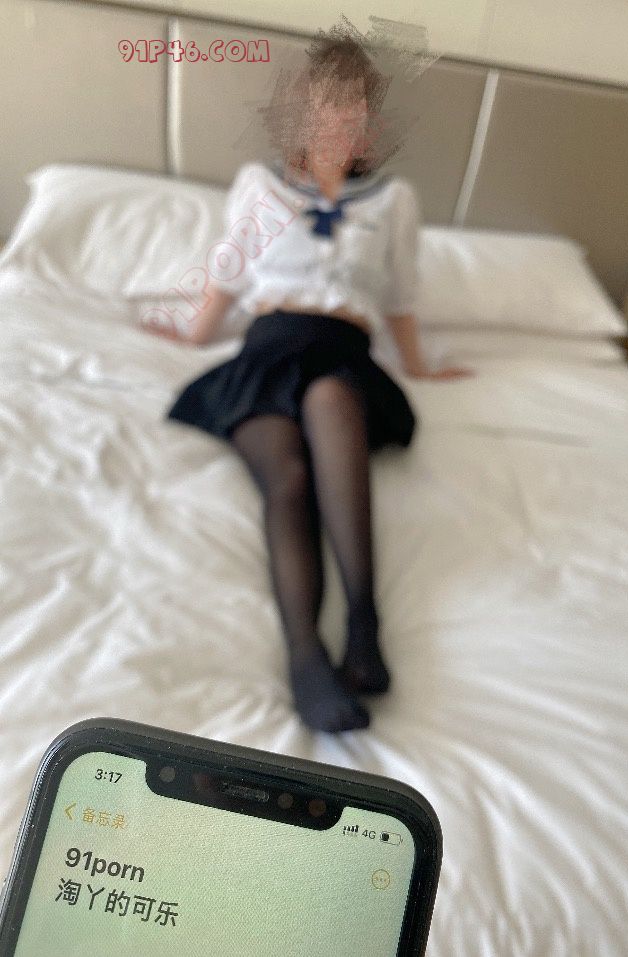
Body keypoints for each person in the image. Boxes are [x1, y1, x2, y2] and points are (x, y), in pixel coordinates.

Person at [147, 35, 470, 733]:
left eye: (356, 108)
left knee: (330, 398)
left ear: (371, 121)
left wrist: (419, 365)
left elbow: (401, 295)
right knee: (287, 477)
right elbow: (229, 274)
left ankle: (363, 625)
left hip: (343, 350)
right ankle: (305, 657)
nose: (342, 120)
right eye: (328, 105)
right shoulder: (261, 186)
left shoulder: (393, 199)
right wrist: (194, 335)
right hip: (269, 348)